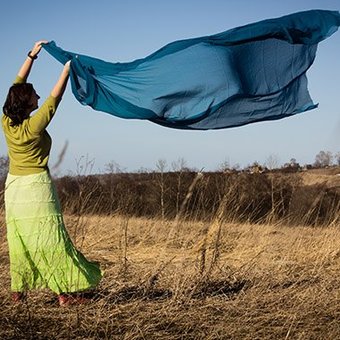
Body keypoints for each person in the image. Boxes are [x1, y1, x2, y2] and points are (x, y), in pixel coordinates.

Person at [2, 41, 102, 306]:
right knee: (51, 238)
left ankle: (18, 292)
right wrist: (66, 70)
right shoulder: (34, 126)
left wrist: (31, 56)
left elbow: (17, 83)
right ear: (27, 102)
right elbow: (53, 100)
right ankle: (64, 294)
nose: (37, 95)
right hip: (36, 189)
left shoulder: (6, 122)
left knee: (20, 239)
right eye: (33, 94)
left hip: (13, 189)